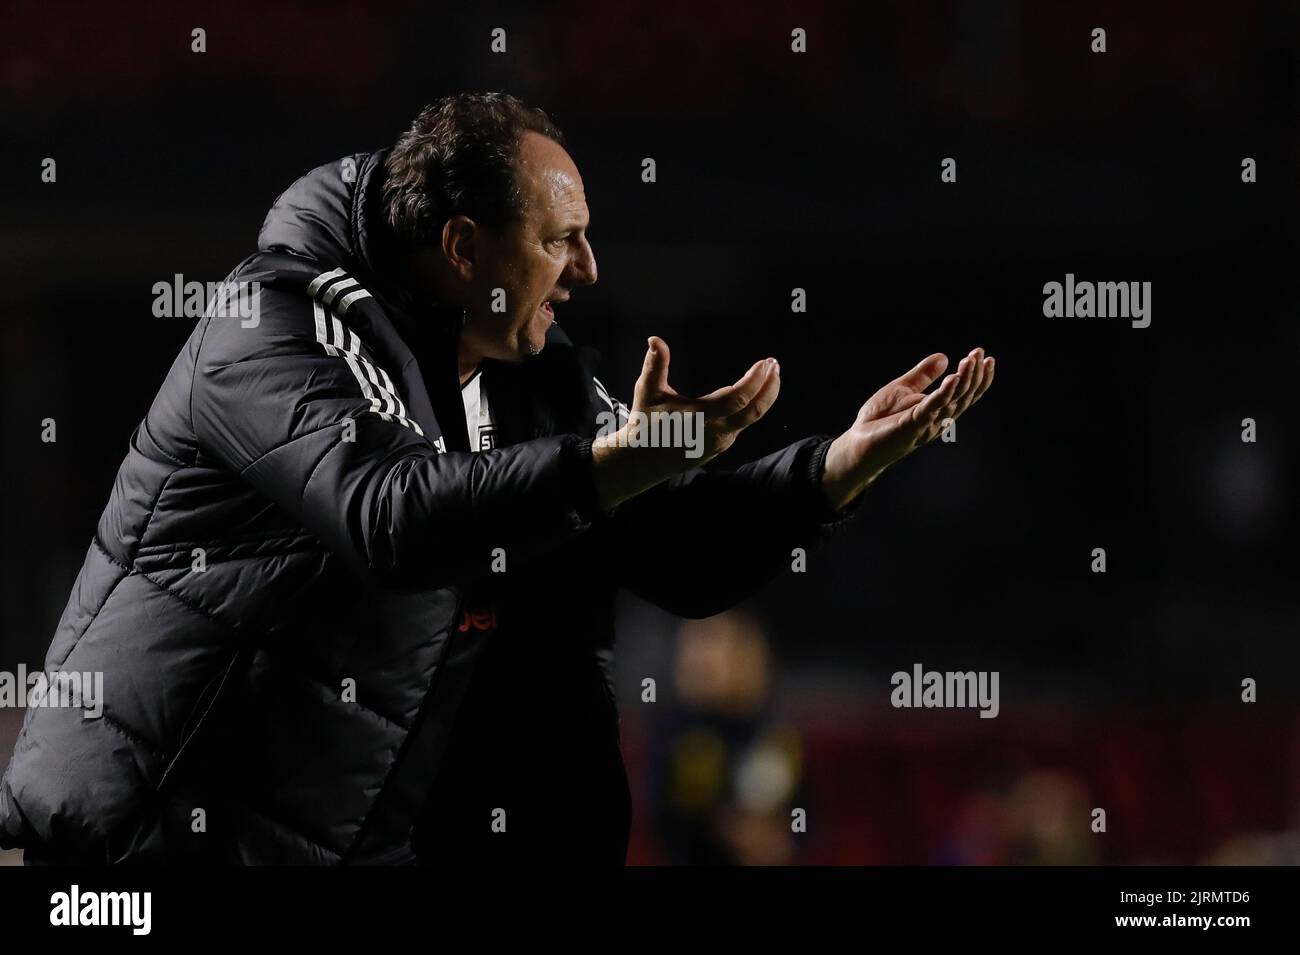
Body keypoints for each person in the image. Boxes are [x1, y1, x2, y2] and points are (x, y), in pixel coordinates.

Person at [0, 92, 994, 865]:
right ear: (464, 246)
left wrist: (833, 468)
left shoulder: (535, 383)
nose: (588, 268)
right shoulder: (271, 327)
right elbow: (390, 514)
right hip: (132, 853)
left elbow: (678, 547)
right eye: (559, 237)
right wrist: (615, 460)